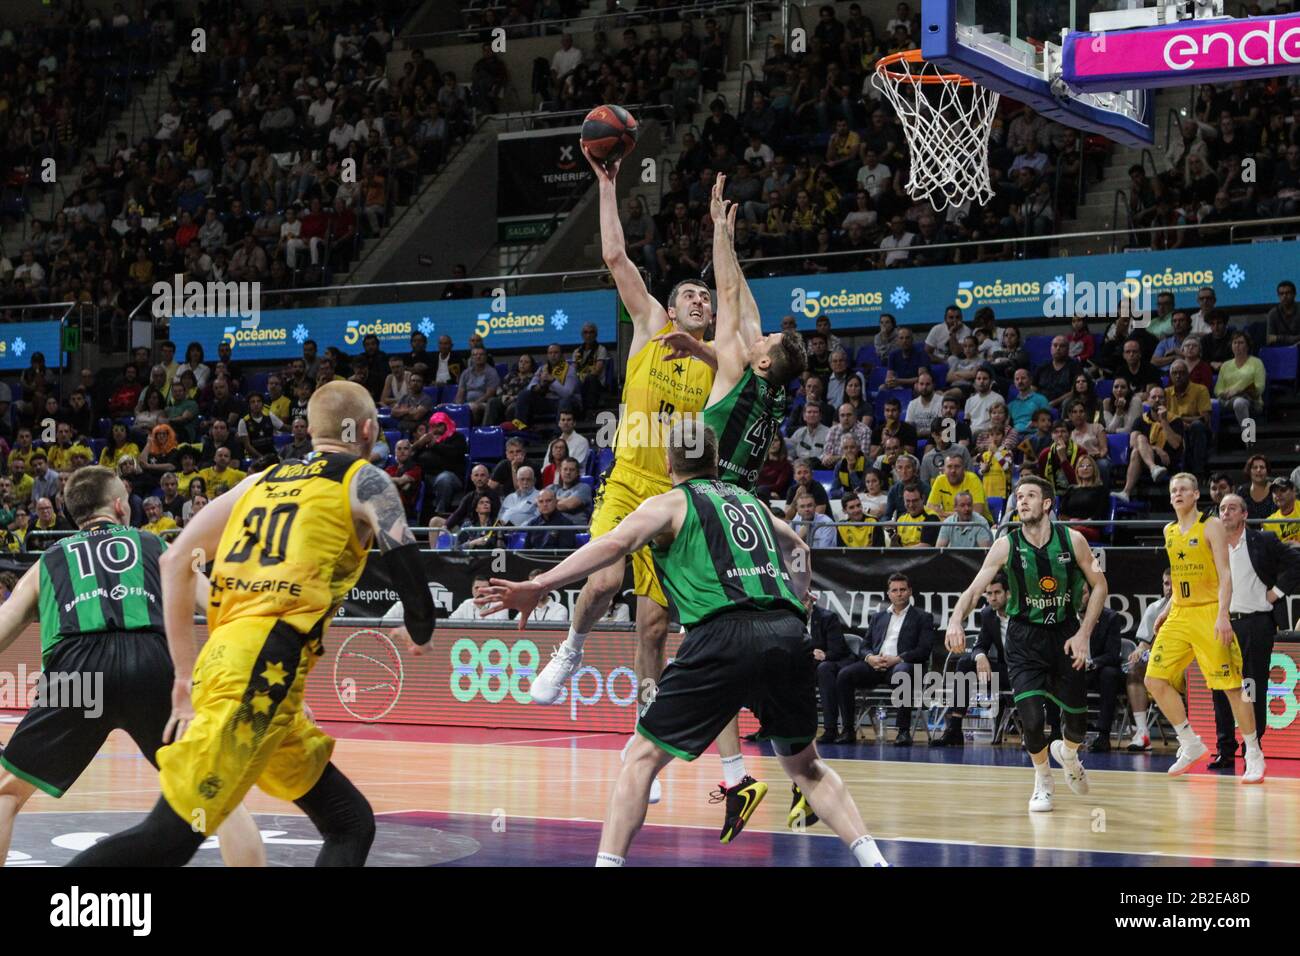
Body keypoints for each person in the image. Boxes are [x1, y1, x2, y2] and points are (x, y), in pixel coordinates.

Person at [479, 419, 890, 867]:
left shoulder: (670, 503)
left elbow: (614, 543)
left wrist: (540, 583)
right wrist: (797, 592)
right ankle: (874, 860)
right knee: (806, 766)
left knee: (640, 758)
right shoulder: (749, 499)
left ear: (669, 462)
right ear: (715, 461)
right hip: (788, 631)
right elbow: (800, 549)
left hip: (721, 635)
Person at [70, 382, 437, 867]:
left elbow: (177, 559)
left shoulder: (259, 480)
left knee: (350, 822)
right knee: (168, 838)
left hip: (240, 668)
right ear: (367, 430)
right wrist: (420, 627)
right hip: (261, 673)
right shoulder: (365, 479)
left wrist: (183, 677)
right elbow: (409, 567)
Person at [524, 151, 717, 816]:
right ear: (672, 304)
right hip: (627, 483)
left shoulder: (714, 366)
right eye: (692, 292)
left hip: (673, 501)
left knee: (657, 628)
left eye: (708, 297)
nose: (701, 299)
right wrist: (606, 187)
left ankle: (647, 741)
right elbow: (615, 259)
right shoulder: (650, 328)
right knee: (603, 580)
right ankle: (572, 646)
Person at [0, 467, 264, 868]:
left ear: (73, 515)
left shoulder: (47, 562)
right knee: (217, 792)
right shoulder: (156, 545)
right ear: (121, 505)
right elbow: (219, 609)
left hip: (75, 673)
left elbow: (4, 624)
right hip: (152, 662)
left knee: (6, 793)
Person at [945, 476, 1109, 812]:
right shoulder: (1006, 544)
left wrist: (1083, 634)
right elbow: (975, 589)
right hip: (1023, 639)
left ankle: (1070, 754)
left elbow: (1101, 586)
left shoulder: (1074, 541)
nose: (1022, 501)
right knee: (1032, 720)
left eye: (1030, 496)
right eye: (1019, 496)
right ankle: (1043, 779)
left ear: (1047, 504)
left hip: (1065, 636)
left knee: (1076, 725)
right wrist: (955, 619)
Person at [1142, 474, 1265, 783]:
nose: (1178, 493)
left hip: (1210, 613)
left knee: (1231, 687)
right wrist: (1168, 608)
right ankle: (1190, 742)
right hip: (1180, 614)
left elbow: (1225, 575)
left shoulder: (1210, 526)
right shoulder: (1169, 531)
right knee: (1153, 680)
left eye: (1183, 489)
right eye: (1173, 490)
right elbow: (1181, 576)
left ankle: (1253, 752)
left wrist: (1223, 615)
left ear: (1196, 494)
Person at [1211, 494, 1300, 771]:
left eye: (1232, 508)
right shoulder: (1211, 546)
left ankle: (1253, 748)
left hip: (1255, 624)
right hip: (1221, 623)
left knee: (1252, 686)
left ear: (1245, 514)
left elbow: (1296, 563)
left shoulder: (1263, 540)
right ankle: (1224, 749)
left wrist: (1275, 593)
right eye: (1222, 509)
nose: (1226, 513)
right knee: (1221, 688)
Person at [827, 573, 935, 746]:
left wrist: (898, 659)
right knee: (844, 675)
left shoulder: (922, 617)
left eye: (902, 590)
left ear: (910, 592)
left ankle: (903, 731)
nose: (899, 593)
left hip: (902, 665)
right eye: (895, 590)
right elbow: (864, 645)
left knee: (903, 672)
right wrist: (870, 658)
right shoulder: (879, 617)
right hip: (876, 665)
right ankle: (848, 730)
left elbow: (924, 650)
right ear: (888, 594)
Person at [931, 572, 1011, 747]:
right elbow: (980, 645)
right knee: (966, 662)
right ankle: (955, 728)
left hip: (1027, 672)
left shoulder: (1023, 613)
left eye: (997, 593)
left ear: (1008, 593)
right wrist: (981, 656)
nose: (993, 598)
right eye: (989, 594)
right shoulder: (988, 614)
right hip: (1006, 673)